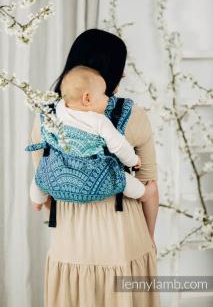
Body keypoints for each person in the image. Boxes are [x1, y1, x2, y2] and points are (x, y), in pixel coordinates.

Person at [30, 29, 160, 306]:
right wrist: (149, 236)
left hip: (70, 245)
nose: (123, 76)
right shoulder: (132, 114)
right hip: (126, 242)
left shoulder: (47, 119)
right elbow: (149, 183)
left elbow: (47, 185)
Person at [30, 65, 156, 211]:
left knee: (40, 176)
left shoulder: (59, 110)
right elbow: (118, 146)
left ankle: (37, 201)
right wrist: (133, 160)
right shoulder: (99, 121)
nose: (108, 99)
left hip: (59, 175)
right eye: (104, 94)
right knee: (123, 179)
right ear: (87, 98)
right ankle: (144, 194)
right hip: (93, 180)